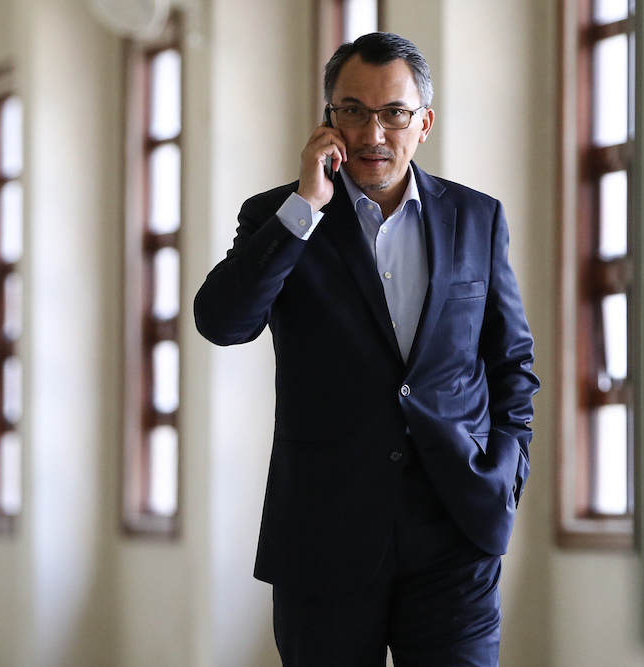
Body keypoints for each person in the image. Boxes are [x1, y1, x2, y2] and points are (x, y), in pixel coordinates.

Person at [194, 32, 538, 667]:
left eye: (394, 113)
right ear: (329, 119)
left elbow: (511, 360)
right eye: (353, 110)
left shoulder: (477, 218)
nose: (373, 133)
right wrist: (305, 206)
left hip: (456, 525)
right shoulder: (279, 217)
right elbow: (222, 322)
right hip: (325, 531)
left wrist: (506, 472)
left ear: (423, 123)